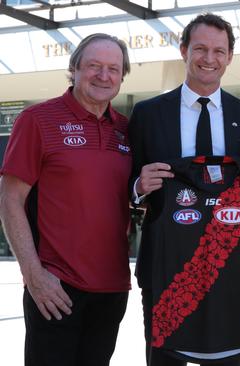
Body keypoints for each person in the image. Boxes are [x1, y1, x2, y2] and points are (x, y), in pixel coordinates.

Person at [128, 13, 240, 366]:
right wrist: (137, 187)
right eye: (200, 48)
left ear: (230, 56)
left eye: (219, 51)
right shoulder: (148, 113)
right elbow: (126, 185)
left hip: (228, 265)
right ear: (184, 50)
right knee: (164, 360)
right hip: (165, 268)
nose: (209, 59)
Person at [0, 33, 132, 366]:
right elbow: (10, 198)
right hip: (56, 288)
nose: (104, 76)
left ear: (122, 76)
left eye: (113, 69)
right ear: (74, 69)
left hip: (112, 288)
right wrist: (33, 275)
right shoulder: (38, 120)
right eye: (94, 66)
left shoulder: (127, 129)